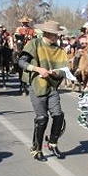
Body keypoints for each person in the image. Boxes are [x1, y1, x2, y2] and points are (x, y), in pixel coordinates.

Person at [18, 20, 69, 161]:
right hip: (37, 85)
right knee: (42, 118)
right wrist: (37, 68)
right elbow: (21, 62)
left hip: (52, 86)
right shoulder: (34, 44)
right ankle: (36, 148)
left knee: (58, 116)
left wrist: (56, 73)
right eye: (56, 35)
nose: (57, 37)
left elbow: (64, 71)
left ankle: (53, 143)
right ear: (48, 33)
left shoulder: (60, 51)